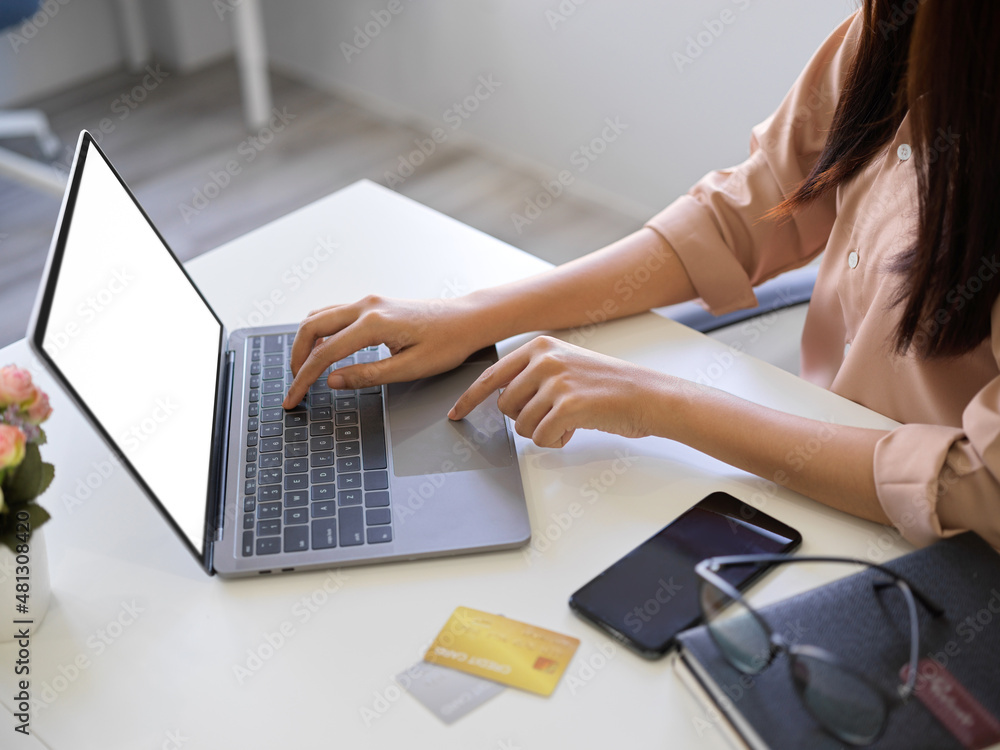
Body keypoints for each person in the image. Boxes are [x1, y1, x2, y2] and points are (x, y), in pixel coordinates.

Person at [283, 1, 1000, 551]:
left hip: (949, 559)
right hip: (814, 483)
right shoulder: (893, 31)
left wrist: (664, 404)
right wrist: (476, 315)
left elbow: (977, 489)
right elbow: (741, 215)